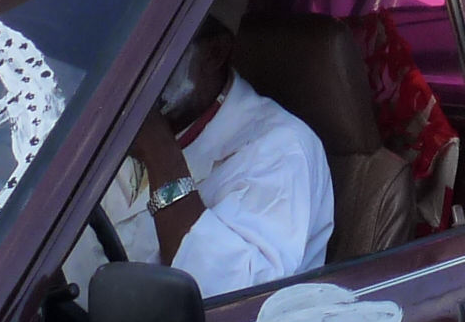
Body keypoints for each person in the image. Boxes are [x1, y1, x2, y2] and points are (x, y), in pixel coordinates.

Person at [98, 16, 335, 296]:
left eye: (152, 48)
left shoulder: (281, 148)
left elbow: (232, 297)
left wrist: (160, 151)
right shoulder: (116, 119)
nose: (129, 68)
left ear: (214, 53)